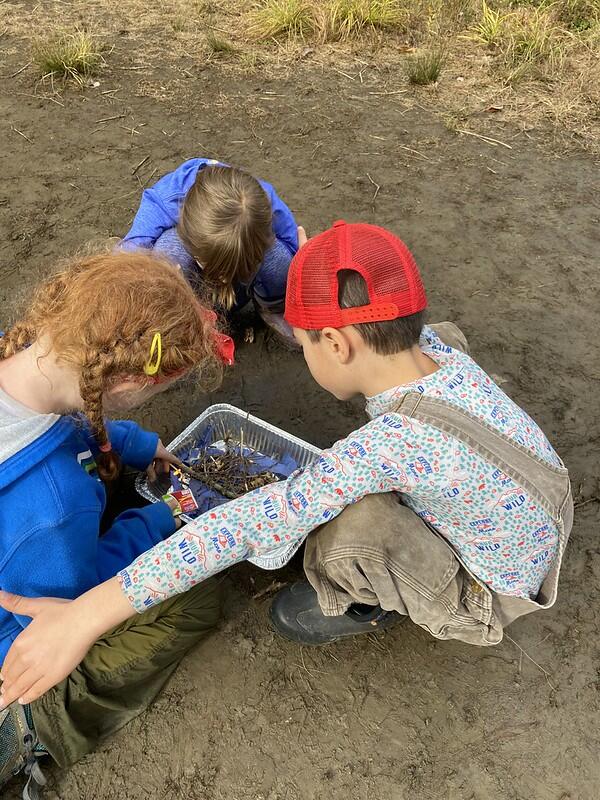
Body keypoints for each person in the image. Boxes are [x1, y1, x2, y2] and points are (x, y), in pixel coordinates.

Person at [0, 222, 572, 716]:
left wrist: (84, 619)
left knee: (348, 533)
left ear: (335, 343)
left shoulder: (392, 445)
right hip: (541, 502)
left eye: (305, 346)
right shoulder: (441, 350)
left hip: (491, 588)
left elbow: (246, 525)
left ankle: (371, 603)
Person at [0, 251, 233, 795]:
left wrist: (131, 442)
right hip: (19, 630)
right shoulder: (58, 506)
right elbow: (75, 603)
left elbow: (71, 422)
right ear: (127, 382)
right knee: (195, 597)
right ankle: (28, 732)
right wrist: (161, 518)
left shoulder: (23, 356)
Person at [122, 158, 299, 342]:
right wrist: (159, 284)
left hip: (242, 284)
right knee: (169, 251)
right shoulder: (168, 198)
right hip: (193, 284)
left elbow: (297, 252)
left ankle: (274, 306)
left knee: (277, 256)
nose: (223, 278)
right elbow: (124, 261)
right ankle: (183, 319)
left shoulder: (264, 205)